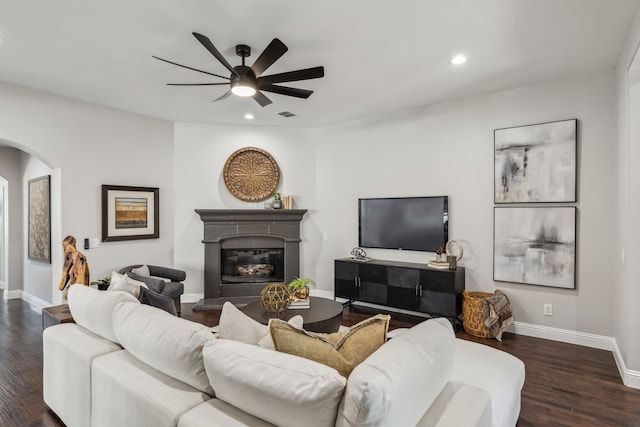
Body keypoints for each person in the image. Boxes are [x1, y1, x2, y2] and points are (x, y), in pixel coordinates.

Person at [58, 235, 90, 300]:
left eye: (64, 247)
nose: (64, 249)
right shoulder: (81, 256)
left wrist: (61, 286)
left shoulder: (69, 255)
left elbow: (65, 274)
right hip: (83, 286)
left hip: (76, 286)